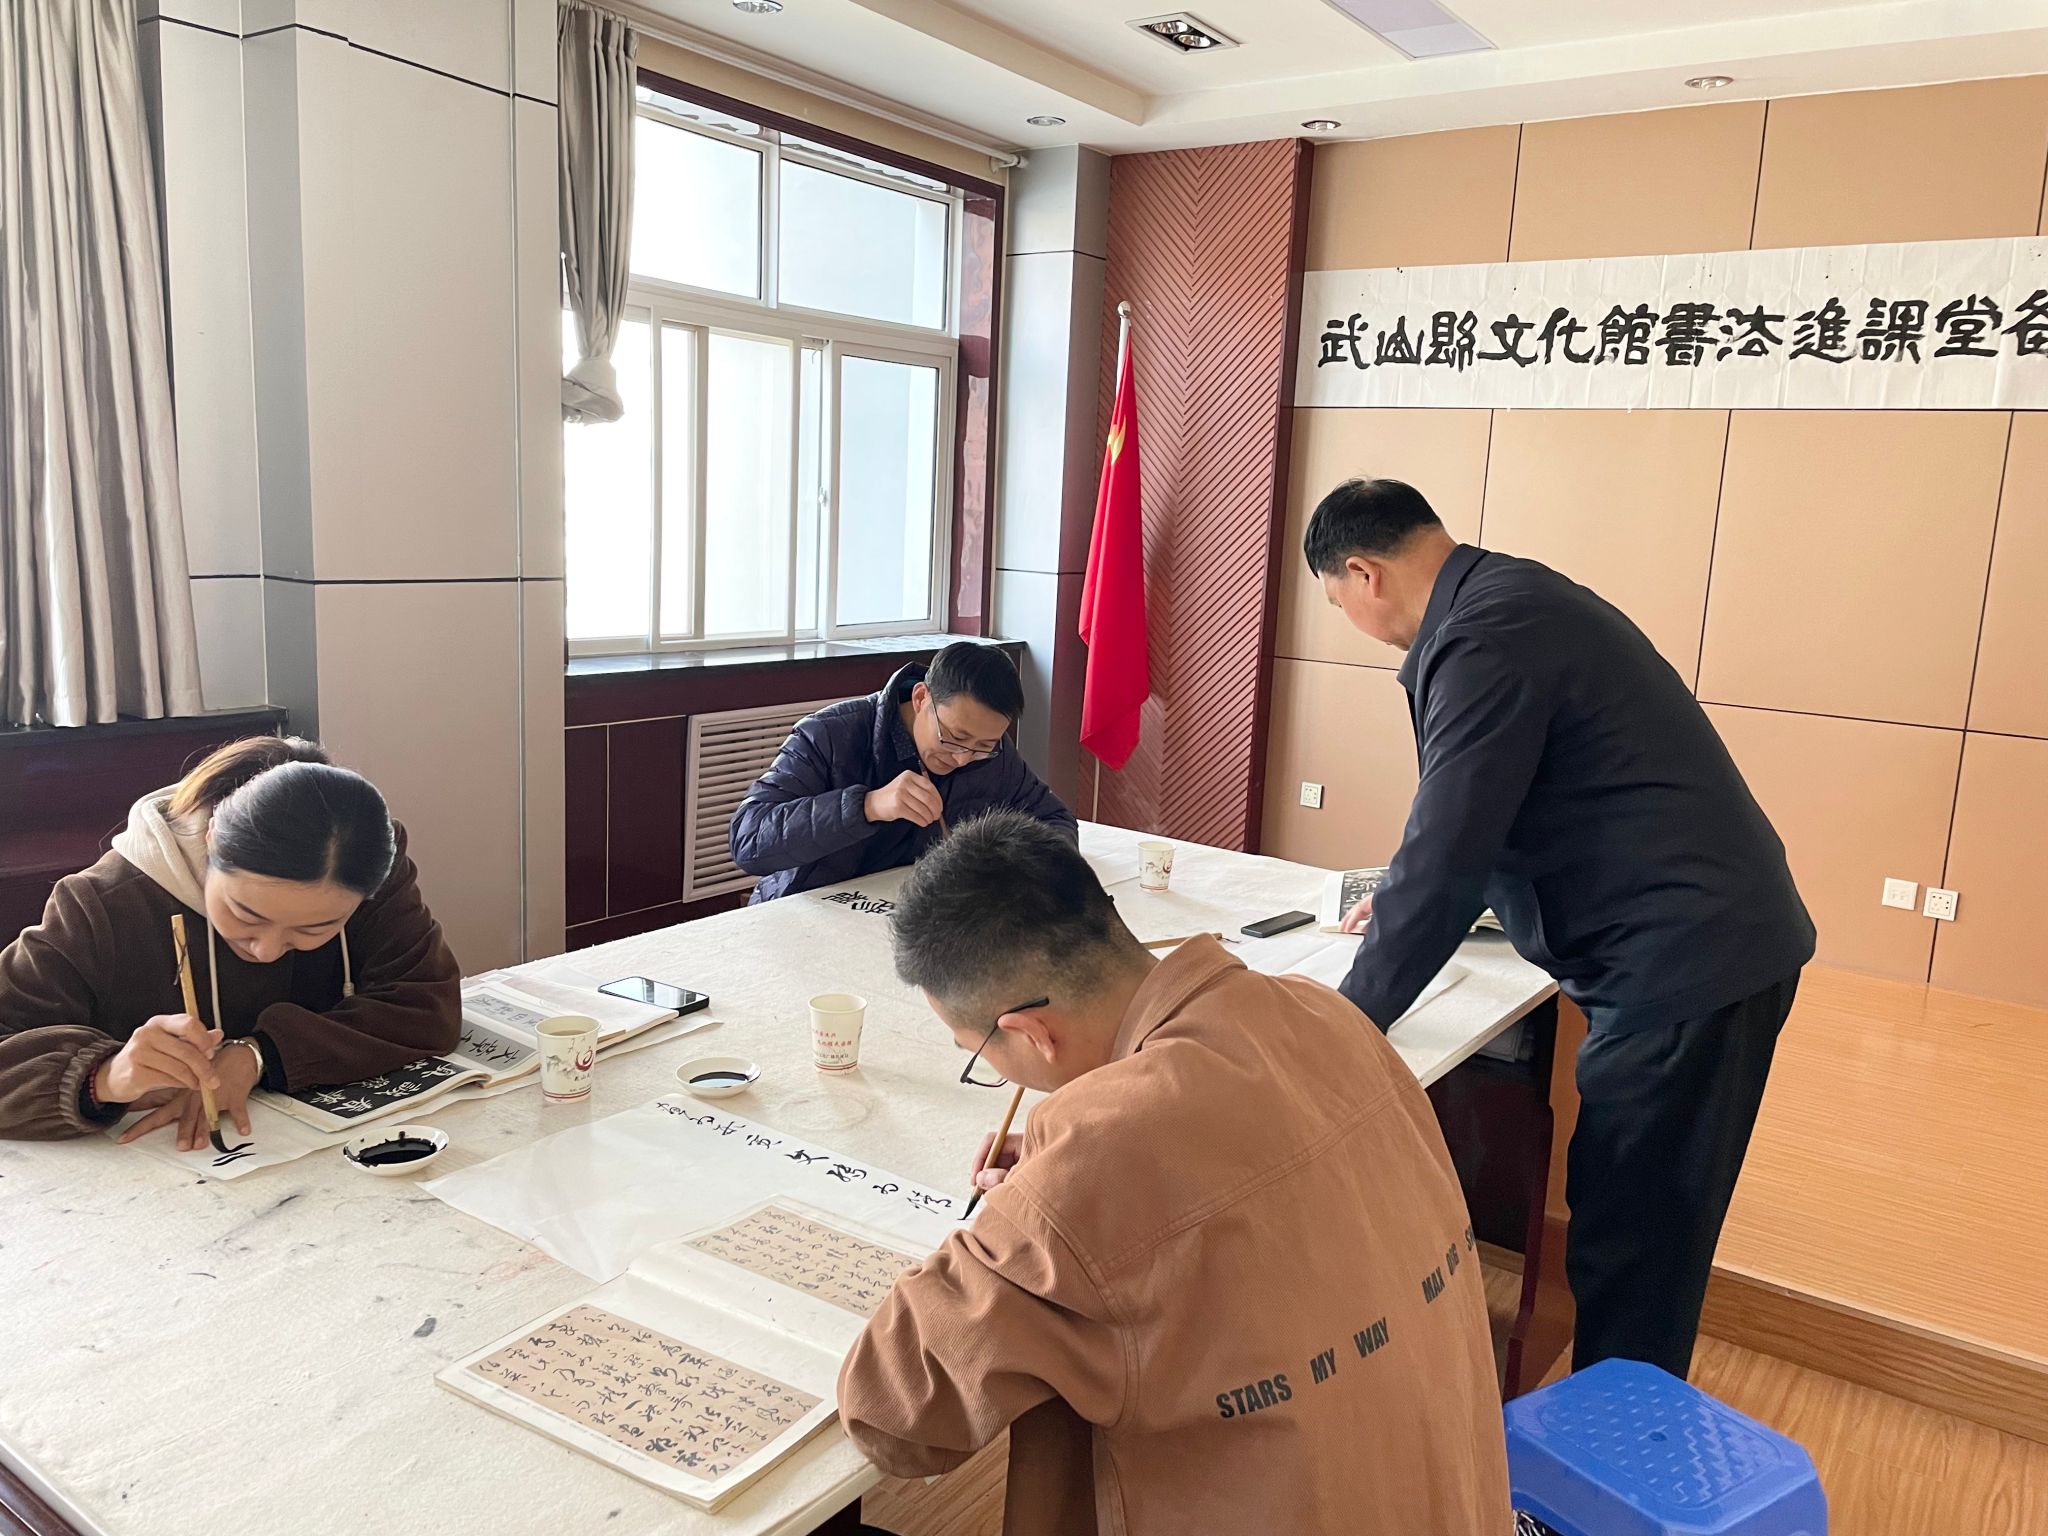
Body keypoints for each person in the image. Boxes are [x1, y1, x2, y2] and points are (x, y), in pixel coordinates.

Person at [838, 811, 1511, 1536]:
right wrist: (1066, 1188)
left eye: (981, 1056)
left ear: (1031, 1032)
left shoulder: (1098, 1152)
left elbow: (894, 1416)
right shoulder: (1327, 1013)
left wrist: (1030, 1212)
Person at [1304, 477, 1815, 1378]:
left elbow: (1452, 851)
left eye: (1336, 600)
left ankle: (1614, 1453)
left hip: (1683, 963)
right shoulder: (1509, 598)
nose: (1347, 617)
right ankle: (1617, 1429)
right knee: (1639, 1226)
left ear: (1363, 573)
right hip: (1702, 941)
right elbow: (1500, 810)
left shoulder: (1484, 637)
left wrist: (1349, 1027)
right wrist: (1413, 889)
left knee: (1635, 1239)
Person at [0, 736, 462, 1144]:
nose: (266, 950)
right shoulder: (101, 903)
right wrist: (103, 1076)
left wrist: (259, 1054)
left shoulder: (360, 865)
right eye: (246, 914)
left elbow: (425, 1004)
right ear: (212, 840)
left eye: (315, 929)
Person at [729, 642, 1076, 902]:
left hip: (915, 921)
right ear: (922, 697)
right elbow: (749, 840)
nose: (963, 758)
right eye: (954, 738)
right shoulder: (829, 735)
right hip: (806, 912)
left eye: (983, 745)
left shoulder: (991, 754)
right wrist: (867, 805)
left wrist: (1018, 873)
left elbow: (1053, 819)